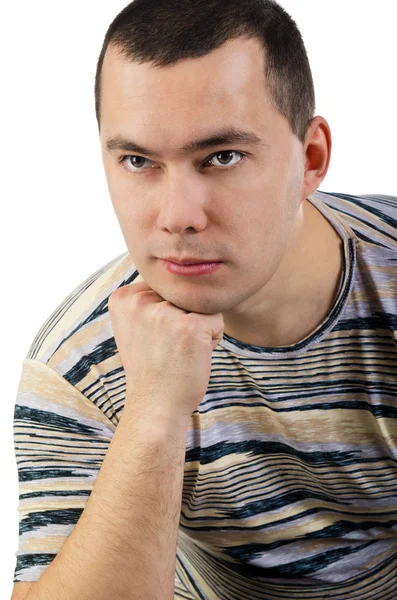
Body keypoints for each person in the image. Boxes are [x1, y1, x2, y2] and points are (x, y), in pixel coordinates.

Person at [11, 0, 397, 599]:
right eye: (139, 161)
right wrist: (154, 412)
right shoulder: (79, 368)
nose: (177, 218)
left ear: (310, 158)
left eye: (222, 157)